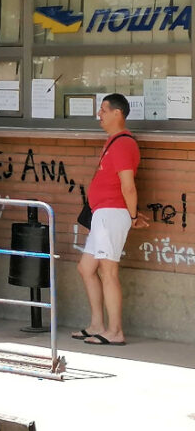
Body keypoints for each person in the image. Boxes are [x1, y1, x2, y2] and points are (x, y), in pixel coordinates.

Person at [72, 94, 147, 347]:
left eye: (103, 110)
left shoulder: (124, 144)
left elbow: (128, 186)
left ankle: (115, 331)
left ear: (118, 113)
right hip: (102, 214)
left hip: (111, 214)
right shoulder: (112, 142)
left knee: (108, 271)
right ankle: (97, 324)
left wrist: (133, 216)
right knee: (86, 268)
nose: (99, 115)